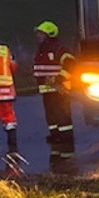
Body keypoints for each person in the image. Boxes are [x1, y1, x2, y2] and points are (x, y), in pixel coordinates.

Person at [33, 21, 76, 163]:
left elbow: (71, 64)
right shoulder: (41, 49)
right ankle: (55, 135)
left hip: (59, 89)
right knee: (51, 115)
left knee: (62, 114)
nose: (38, 36)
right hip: (46, 90)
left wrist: (58, 79)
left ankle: (66, 139)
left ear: (49, 34)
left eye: (41, 33)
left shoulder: (59, 49)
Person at [0, 43, 20, 160]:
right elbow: (13, 66)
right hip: (7, 90)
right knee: (9, 118)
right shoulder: (5, 49)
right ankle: (12, 144)